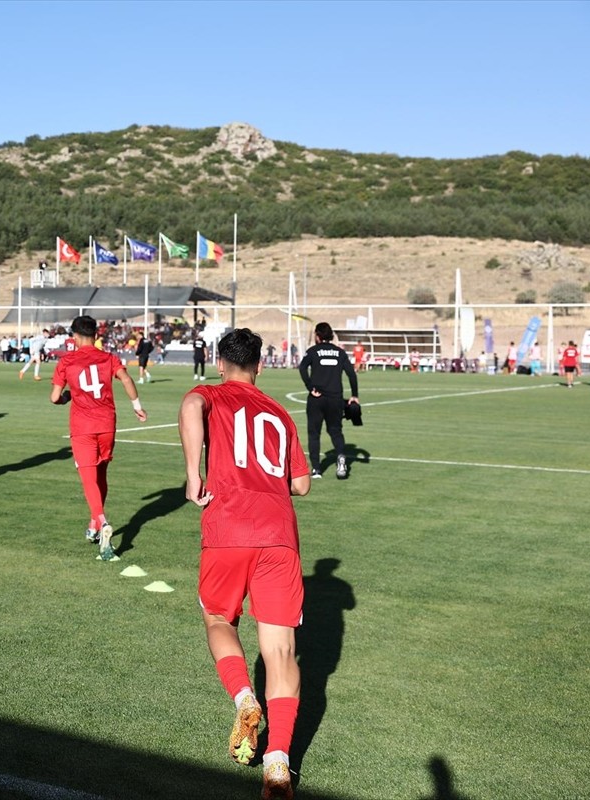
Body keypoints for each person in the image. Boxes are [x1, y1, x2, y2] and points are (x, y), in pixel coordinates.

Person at [178, 327, 311, 800]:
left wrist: (194, 473)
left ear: (220, 364)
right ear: (260, 365)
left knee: (218, 617)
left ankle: (243, 697)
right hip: (279, 534)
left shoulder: (210, 393)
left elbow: (191, 406)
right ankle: (277, 764)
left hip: (228, 526)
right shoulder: (280, 412)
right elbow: (301, 485)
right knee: (280, 652)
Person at [49, 315, 146, 560]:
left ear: (74, 337)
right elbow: (125, 378)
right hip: (107, 424)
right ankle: (94, 524)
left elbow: (54, 397)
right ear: (96, 335)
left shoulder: (67, 361)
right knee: (101, 473)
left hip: (83, 426)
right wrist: (136, 406)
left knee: (88, 478)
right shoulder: (108, 358)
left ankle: (102, 523)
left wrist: (66, 398)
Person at [298, 322, 359, 480]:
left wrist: (310, 387)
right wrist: (354, 395)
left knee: (314, 434)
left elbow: (302, 368)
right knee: (335, 431)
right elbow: (352, 374)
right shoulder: (340, 353)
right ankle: (341, 458)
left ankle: (317, 470)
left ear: (317, 336)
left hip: (316, 399)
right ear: (331, 335)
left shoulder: (313, 351)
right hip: (335, 399)